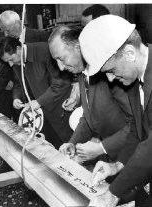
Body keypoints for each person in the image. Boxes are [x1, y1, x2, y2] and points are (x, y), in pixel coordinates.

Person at [78, 14, 152, 207]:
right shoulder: (136, 79)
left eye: (111, 70)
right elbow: (138, 132)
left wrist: (112, 193)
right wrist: (117, 165)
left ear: (129, 53)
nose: (111, 79)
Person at [48, 25, 133, 165]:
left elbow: (138, 123)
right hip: (114, 158)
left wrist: (102, 148)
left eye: (62, 58)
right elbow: (89, 117)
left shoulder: (111, 73)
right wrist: (73, 143)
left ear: (78, 46)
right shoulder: (82, 74)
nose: (61, 67)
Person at [0, 37, 73, 148]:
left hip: (60, 111)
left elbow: (61, 83)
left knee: (69, 144)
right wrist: (16, 97)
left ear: (18, 49)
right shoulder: (17, 62)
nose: (10, 64)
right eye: (7, 61)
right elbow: (18, 82)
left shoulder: (44, 51)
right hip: (40, 116)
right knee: (52, 146)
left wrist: (39, 102)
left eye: (11, 59)